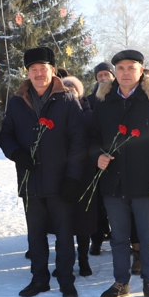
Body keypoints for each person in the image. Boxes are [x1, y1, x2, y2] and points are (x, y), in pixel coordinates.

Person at [90, 50, 149, 297]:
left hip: (146, 181)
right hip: (113, 182)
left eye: (131, 67)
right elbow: (92, 137)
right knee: (118, 237)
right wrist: (97, 156)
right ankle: (121, 282)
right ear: (114, 72)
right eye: (121, 68)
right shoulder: (104, 101)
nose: (125, 72)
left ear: (142, 70)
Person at [0, 47, 86, 297]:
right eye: (33, 69)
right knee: (35, 235)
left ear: (52, 70)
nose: (38, 74)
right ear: (27, 73)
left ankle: (66, 280)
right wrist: (16, 153)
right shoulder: (17, 102)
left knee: (63, 234)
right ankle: (39, 279)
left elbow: (78, 141)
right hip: (31, 180)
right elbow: (5, 135)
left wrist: (72, 177)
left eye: (43, 68)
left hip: (61, 181)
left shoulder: (67, 100)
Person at [62, 75, 95, 277]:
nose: (69, 91)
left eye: (73, 88)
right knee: (63, 220)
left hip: (85, 173)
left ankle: (83, 259)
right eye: (65, 88)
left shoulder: (89, 113)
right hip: (63, 172)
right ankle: (65, 261)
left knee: (84, 219)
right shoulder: (58, 112)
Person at [86, 61, 115, 255]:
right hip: (97, 159)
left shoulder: (120, 97)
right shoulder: (90, 100)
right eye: (100, 76)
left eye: (107, 74)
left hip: (119, 157)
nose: (104, 78)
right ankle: (96, 239)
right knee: (97, 204)